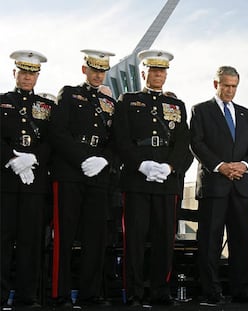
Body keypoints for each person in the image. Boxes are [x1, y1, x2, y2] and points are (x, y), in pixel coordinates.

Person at [113, 49, 191, 307]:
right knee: (134, 239)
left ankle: (160, 291)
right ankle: (134, 292)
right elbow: (121, 139)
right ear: (143, 72)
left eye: (162, 71)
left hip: (166, 181)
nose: (158, 75)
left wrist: (170, 167)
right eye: (153, 70)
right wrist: (140, 164)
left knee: (164, 240)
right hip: (137, 180)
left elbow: (182, 143)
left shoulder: (177, 106)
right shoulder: (128, 100)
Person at [48, 49, 117, 308]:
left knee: (95, 237)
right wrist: (82, 159)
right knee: (64, 236)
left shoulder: (111, 104)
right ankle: (60, 293)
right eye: (94, 70)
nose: (98, 75)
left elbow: (116, 139)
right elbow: (58, 132)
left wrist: (104, 159)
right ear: (84, 70)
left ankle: (90, 293)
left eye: (102, 71)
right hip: (69, 172)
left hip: (98, 173)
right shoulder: (68, 93)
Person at [190, 66, 248, 306]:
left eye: (234, 86)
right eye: (226, 85)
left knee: (242, 240)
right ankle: (211, 292)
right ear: (215, 85)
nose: (230, 90)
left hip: (241, 185)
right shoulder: (200, 110)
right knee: (210, 241)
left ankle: (241, 290)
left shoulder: (245, 114)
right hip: (214, 185)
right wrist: (220, 166)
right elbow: (197, 143)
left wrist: (244, 165)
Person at [1, 50, 54, 309]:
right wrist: (13, 160)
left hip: (34, 184)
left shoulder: (47, 107)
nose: (27, 78)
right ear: (14, 73)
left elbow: (52, 141)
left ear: (37, 76)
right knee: (1, 241)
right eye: (22, 72)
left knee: (30, 243)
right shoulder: (2, 101)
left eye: (31, 74)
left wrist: (32, 160)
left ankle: (26, 296)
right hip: (6, 183)